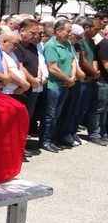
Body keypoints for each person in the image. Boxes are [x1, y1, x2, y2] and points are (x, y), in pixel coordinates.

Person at [40, 20, 77, 153]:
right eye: (68, 31)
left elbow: (73, 61)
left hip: (66, 84)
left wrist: (72, 78)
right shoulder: (51, 45)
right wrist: (68, 79)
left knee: (58, 114)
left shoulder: (67, 44)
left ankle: (52, 138)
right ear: (58, 31)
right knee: (50, 114)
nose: (70, 33)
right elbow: (53, 68)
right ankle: (45, 140)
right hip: (54, 85)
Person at [14, 19, 48, 145]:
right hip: (21, 88)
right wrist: (32, 80)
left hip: (33, 87)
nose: (35, 36)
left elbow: (38, 63)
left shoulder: (33, 47)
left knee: (28, 117)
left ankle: (22, 144)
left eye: (37, 33)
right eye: (32, 33)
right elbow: (20, 66)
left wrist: (40, 78)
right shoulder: (17, 46)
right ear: (22, 31)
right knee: (19, 119)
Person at [0, 32, 31, 97]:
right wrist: (24, 84)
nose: (16, 48)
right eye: (15, 44)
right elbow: (8, 72)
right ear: (5, 41)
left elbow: (20, 68)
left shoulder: (11, 53)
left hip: (15, 92)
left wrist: (24, 86)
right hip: (4, 93)